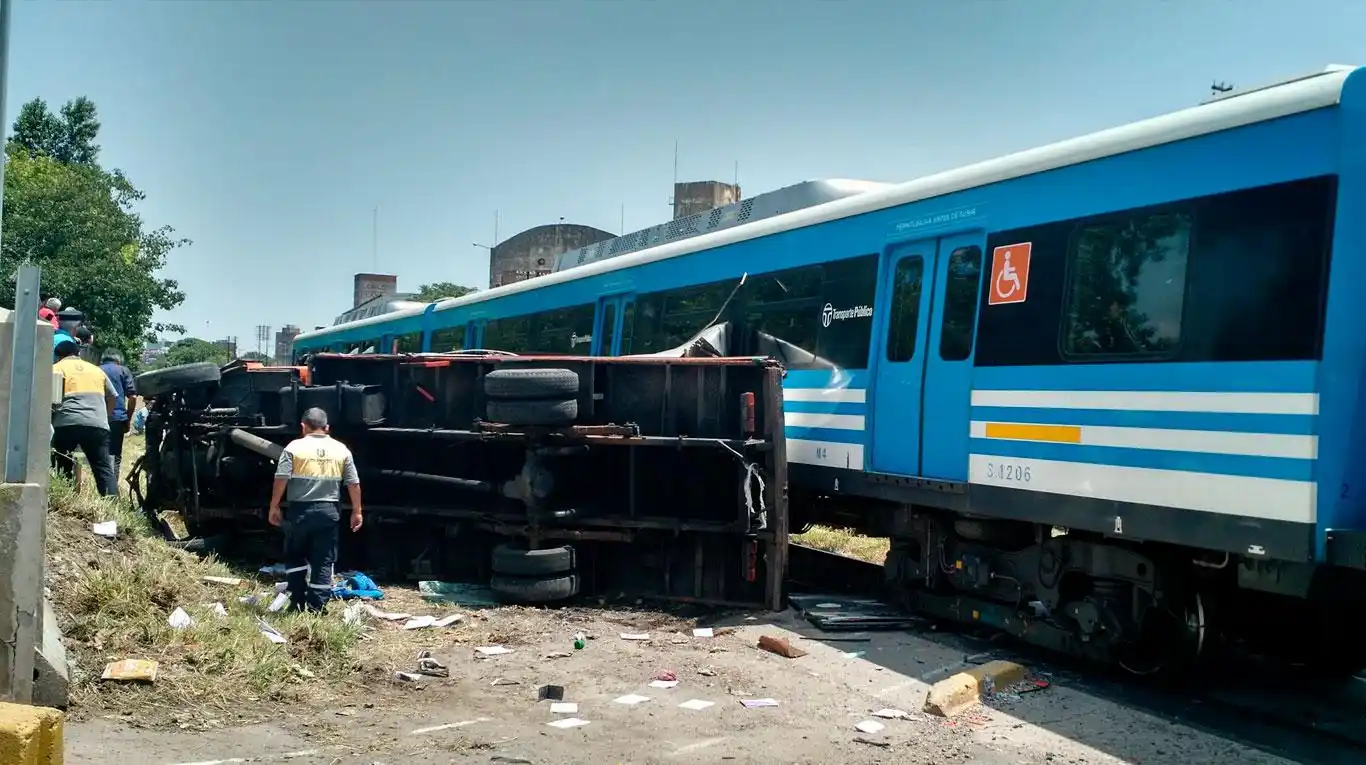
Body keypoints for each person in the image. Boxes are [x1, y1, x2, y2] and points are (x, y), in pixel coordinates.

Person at [267, 407, 363, 612]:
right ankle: (317, 607)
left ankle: (297, 601)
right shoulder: (341, 449)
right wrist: (357, 511)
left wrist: (274, 505)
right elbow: (353, 483)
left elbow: (281, 478)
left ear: (303, 426)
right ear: (327, 427)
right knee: (323, 560)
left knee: (295, 554)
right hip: (329, 511)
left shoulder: (294, 448)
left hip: (300, 511)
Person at [51, 332, 118, 496]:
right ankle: (113, 503)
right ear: (78, 353)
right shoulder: (96, 370)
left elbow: (49, 400)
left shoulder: (56, 369)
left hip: (66, 423)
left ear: (58, 357)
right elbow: (113, 396)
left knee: (62, 462)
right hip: (97, 423)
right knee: (103, 468)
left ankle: (65, 497)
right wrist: (106, 417)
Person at [98, 348, 138, 478]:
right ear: (118, 361)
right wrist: (128, 418)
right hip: (117, 418)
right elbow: (133, 397)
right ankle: (112, 486)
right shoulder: (123, 371)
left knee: (99, 454)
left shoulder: (96, 370)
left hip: (97, 417)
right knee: (114, 455)